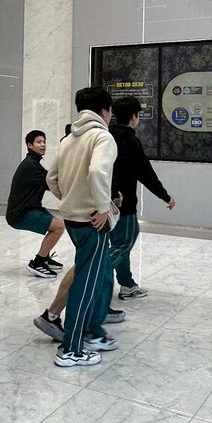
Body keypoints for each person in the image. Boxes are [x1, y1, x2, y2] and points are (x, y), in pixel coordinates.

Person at [45, 87, 119, 368]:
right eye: (110, 111)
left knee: (84, 279)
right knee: (85, 286)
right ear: (104, 110)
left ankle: (76, 341)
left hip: (72, 219)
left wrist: (69, 199)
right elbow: (97, 171)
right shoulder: (102, 137)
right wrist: (102, 207)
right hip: (92, 223)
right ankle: (71, 349)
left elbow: (51, 178)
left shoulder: (69, 139)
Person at [109, 97, 174, 302]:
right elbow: (145, 173)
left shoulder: (106, 137)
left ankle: (127, 285)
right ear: (134, 117)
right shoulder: (130, 141)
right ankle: (92, 273)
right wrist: (165, 196)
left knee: (118, 244)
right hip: (124, 204)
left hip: (104, 203)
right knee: (124, 243)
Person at [6, 130, 66, 279]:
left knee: (57, 224)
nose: (43, 145)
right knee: (58, 227)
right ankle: (38, 263)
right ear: (29, 145)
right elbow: (52, 182)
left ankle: (44, 258)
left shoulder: (33, 163)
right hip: (20, 214)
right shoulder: (31, 166)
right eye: (38, 142)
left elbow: (50, 181)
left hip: (29, 209)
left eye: (44, 142)